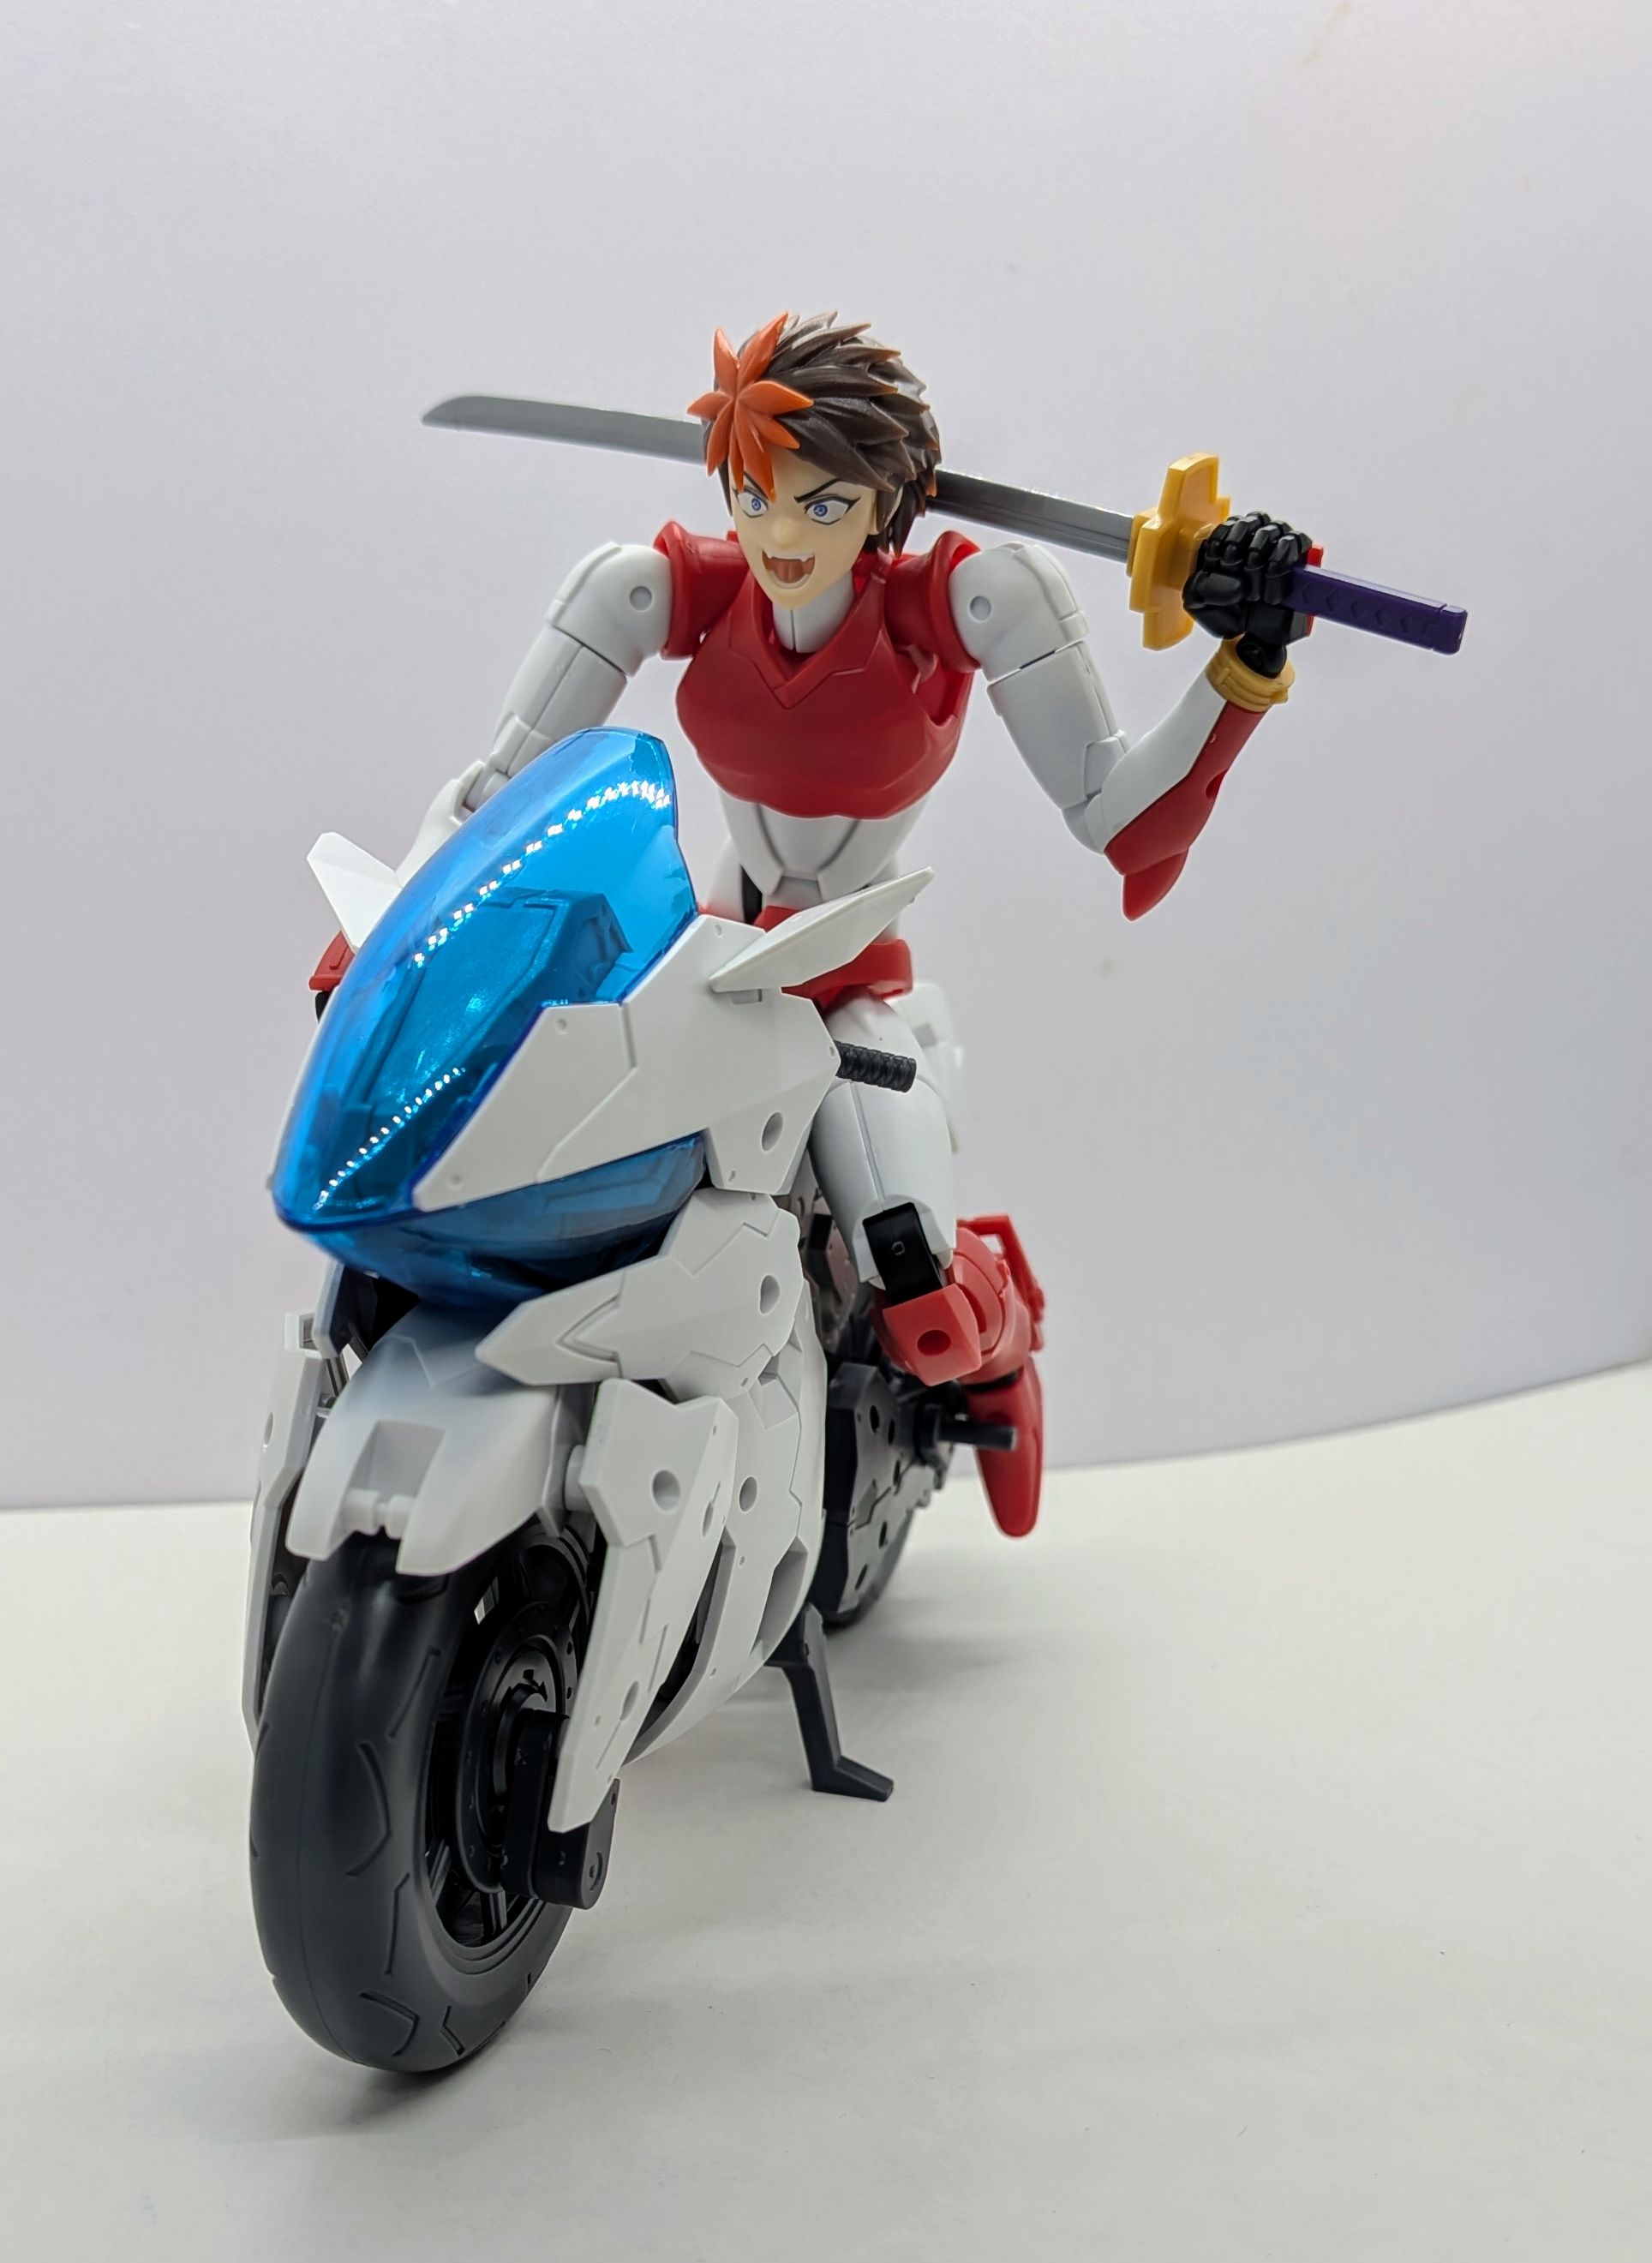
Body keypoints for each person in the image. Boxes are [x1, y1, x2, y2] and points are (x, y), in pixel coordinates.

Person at [382, 312, 1311, 1536]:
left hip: (848, 971)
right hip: (698, 953)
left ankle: (1003, 1354)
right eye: (754, 497)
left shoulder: (963, 605)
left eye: (821, 505)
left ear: (885, 504)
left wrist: (1244, 653)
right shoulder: (671, 589)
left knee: (916, 1284)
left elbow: (1121, 815)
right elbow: (501, 789)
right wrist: (398, 935)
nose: (779, 536)